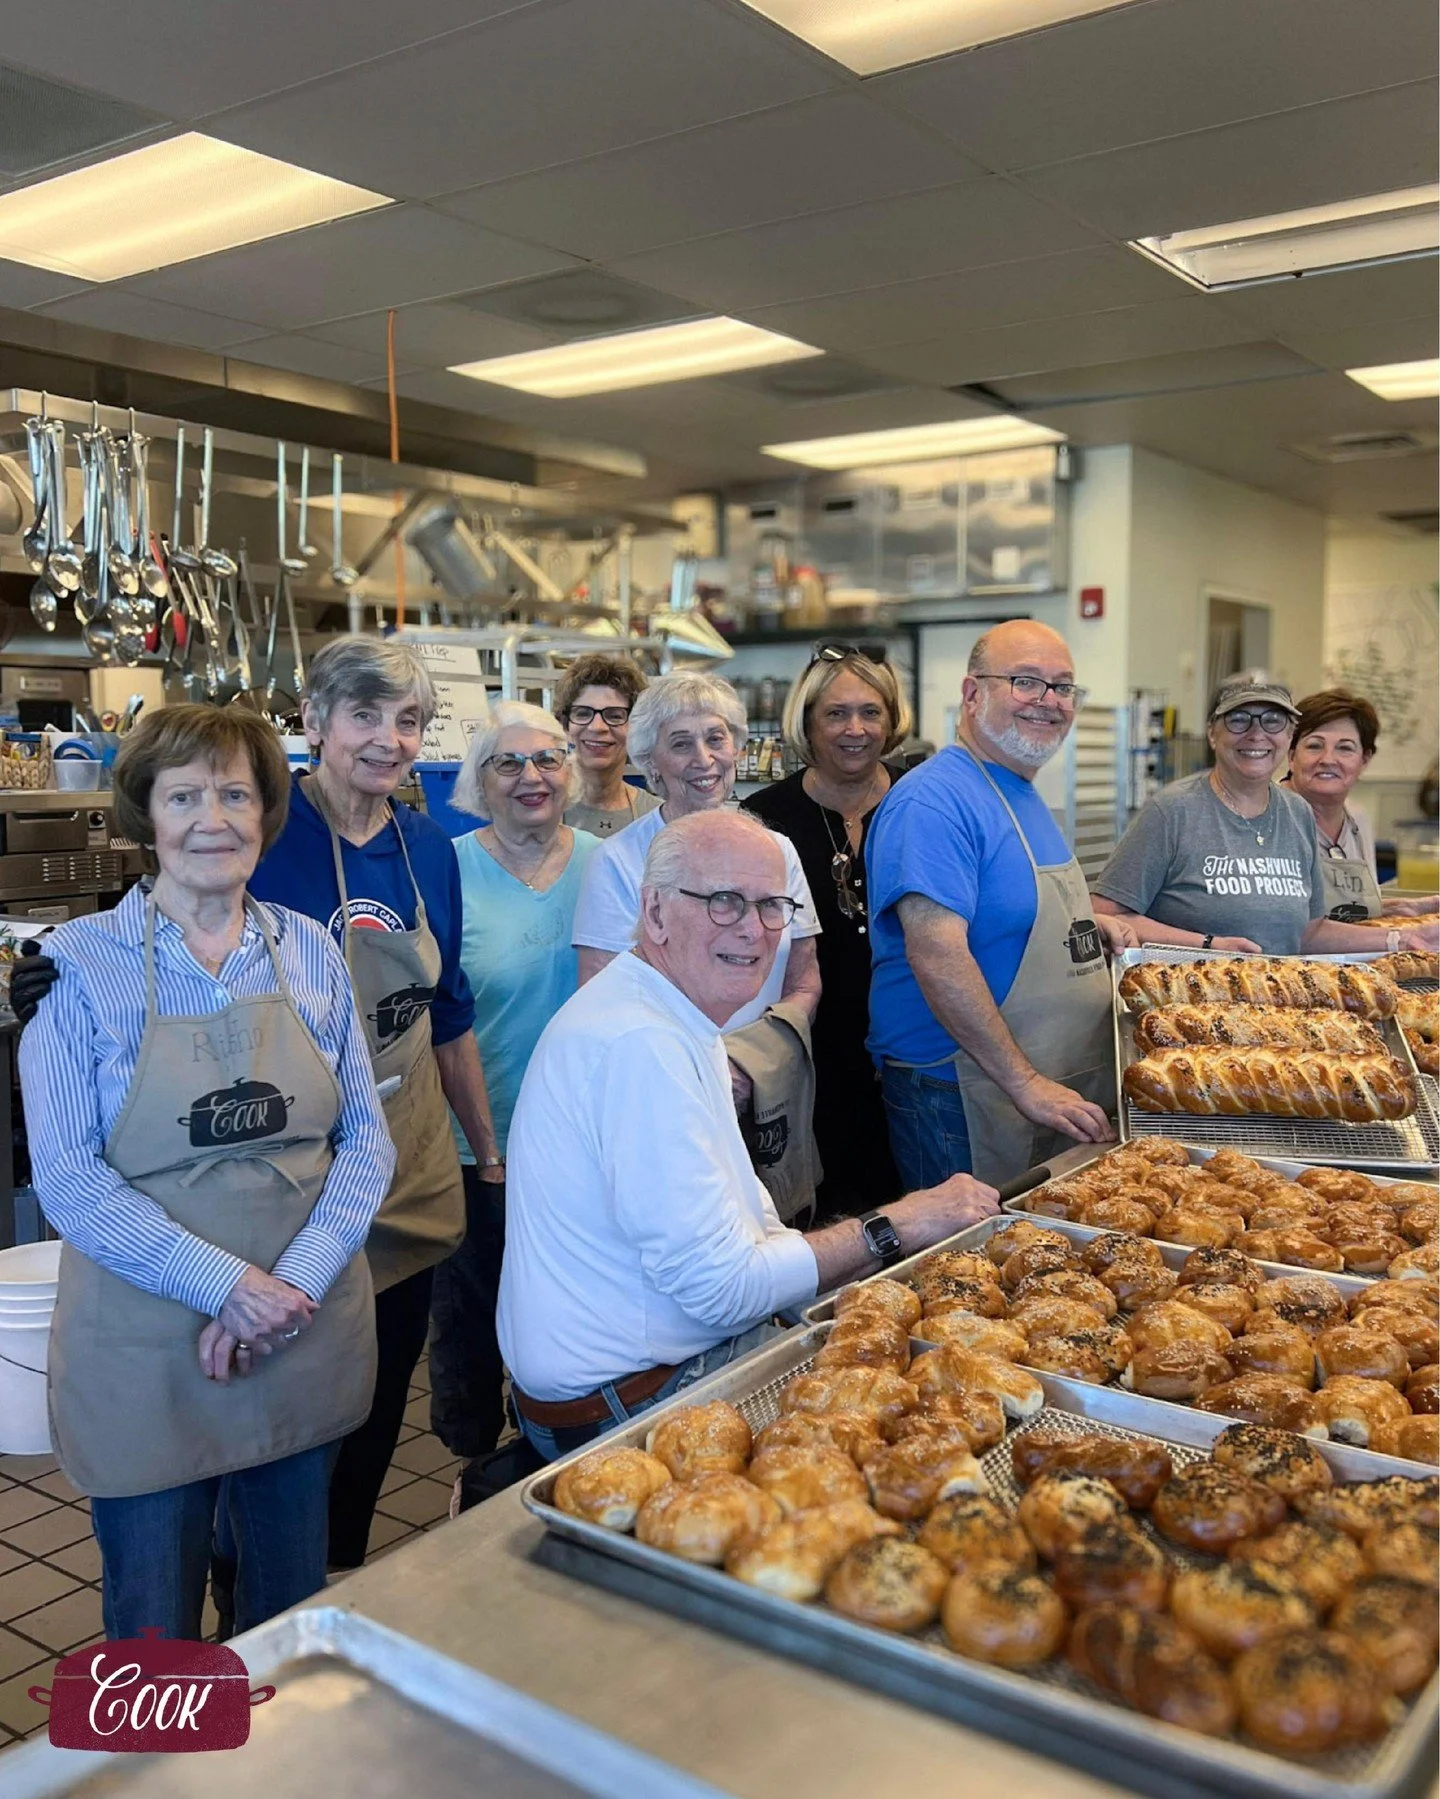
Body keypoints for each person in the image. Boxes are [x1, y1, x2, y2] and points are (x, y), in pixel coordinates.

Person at [19, 707, 395, 1639]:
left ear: (267, 812)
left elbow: (366, 1143)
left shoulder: (309, 949)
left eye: (235, 793)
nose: (212, 817)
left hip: (298, 1337)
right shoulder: (75, 968)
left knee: (287, 1615)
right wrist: (229, 1287)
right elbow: (69, 1179)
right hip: (148, 1349)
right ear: (146, 815)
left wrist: (288, 1290)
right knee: (152, 1626)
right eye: (183, 795)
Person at [498, 810, 1000, 1460]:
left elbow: (747, 1226)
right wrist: (894, 1224)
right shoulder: (639, 1043)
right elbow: (722, 1288)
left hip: (648, 1367)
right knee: (920, 1443)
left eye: (772, 905)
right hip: (625, 1403)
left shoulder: (672, 1011)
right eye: (725, 901)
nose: (757, 930)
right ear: (654, 913)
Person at [248, 636, 503, 1575]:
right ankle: (254, 1588)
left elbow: (449, 1013)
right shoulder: (261, 834)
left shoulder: (427, 847)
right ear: (313, 722)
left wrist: (486, 1155)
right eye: (366, 716)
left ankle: (338, 1573)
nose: (391, 741)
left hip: (400, 1162)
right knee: (281, 1399)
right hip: (284, 1169)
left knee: (374, 1395)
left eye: (408, 721)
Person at [866, 620, 1134, 1192]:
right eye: (1025, 681)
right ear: (971, 694)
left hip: (1042, 1079)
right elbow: (937, 953)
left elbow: (1008, 908)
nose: (1048, 701)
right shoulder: (934, 801)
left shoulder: (1020, 789)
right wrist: (1026, 1083)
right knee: (970, 1260)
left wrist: (1088, 924)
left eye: (1063, 687)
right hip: (966, 1091)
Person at [573, 671, 823, 1217]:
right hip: (664, 1101)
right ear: (650, 762)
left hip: (766, 1095)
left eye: (715, 738)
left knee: (777, 1243)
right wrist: (707, 1073)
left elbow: (805, 981)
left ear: (736, 747)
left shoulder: (777, 850)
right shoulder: (617, 863)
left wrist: (748, 1067)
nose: (703, 758)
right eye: (680, 743)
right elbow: (601, 1000)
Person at [429, 701, 601, 1471]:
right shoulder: (446, 867)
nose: (532, 777)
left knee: (564, 1306)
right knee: (469, 1314)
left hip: (584, 1138)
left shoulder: (610, 861)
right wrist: (487, 1147)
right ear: (478, 783)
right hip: (474, 1136)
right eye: (509, 763)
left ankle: (549, 1447)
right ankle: (469, 1466)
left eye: (549, 759)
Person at [1092, 677, 1438, 958]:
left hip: (1277, 1007)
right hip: (1189, 1009)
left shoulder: (1298, 812)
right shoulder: (1171, 811)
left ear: (1288, 737)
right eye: (1238, 719)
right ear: (1213, 733)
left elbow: (1309, 932)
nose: (1256, 734)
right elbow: (1105, 914)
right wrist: (1211, 946)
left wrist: (1402, 938)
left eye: (1273, 721)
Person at [742, 643, 911, 1220]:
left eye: (871, 712)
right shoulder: (766, 819)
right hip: (814, 1060)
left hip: (916, 1053)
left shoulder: (925, 803)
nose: (855, 729)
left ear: (891, 721)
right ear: (807, 722)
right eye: (836, 713)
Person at [1285, 688, 1438, 921]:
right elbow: (1291, 923)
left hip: (1352, 953)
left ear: (1364, 759)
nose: (1328, 759)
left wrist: (1402, 909)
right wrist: (1398, 937)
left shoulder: (1357, 817)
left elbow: (1347, 911)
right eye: (1314, 745)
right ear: (1291, 755)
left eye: (1345, 748)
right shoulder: (1268, 816)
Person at [554, 650, 662, 838]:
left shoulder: (656, 816)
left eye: (614, 716)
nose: (597, 727)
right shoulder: (543, 812)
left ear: (635, 727)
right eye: (583, 714)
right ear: (565, 726)